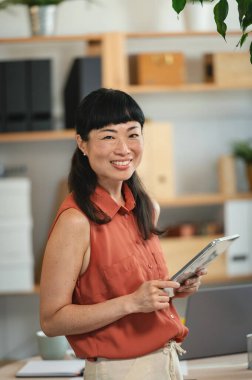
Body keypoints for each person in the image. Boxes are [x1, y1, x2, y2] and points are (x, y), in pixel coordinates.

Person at [40, 88, 206, 380]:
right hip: (118, 372)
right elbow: (52, 320)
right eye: (107, 136)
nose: (124, 148)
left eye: (132, 133)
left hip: (167, 363)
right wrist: (131, 302)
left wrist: (172, 289)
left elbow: (136, 291)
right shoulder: (75, 222)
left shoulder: (146, 208)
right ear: (82, 143)